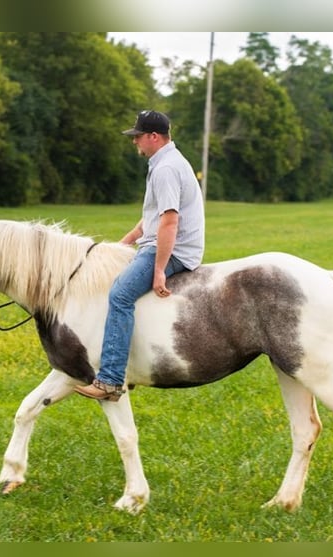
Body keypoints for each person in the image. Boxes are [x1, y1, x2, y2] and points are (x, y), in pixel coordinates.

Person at [75, 110, 205, 401]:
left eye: (138, 137)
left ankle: (109, 380)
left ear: (154, 137)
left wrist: (160, 269)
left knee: (120, 295)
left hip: (174, 250)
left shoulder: (165, 169)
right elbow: (154, 218)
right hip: (160, 243)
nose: (135, 142)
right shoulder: (165, 162)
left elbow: (170, 221)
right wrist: (126, 242)